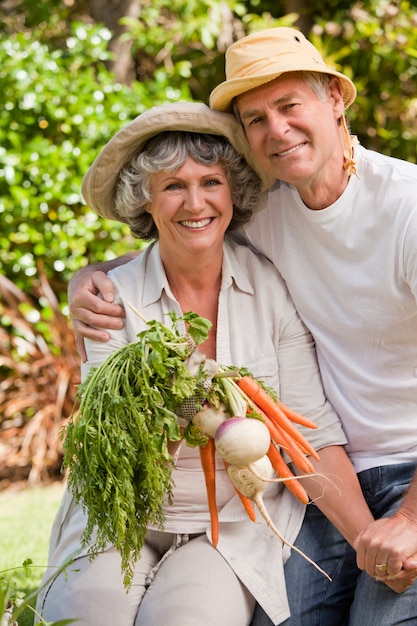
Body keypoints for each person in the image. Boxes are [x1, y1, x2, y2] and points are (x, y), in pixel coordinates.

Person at [68, 28, 417, 626]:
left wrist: (408, 523)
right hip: (318, 483)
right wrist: (91, 274)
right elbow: (179, 241)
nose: (276, 131)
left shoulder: (406, 209)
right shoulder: (267, 214)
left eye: (289, 106)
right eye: (255, 118)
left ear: (335, 99)